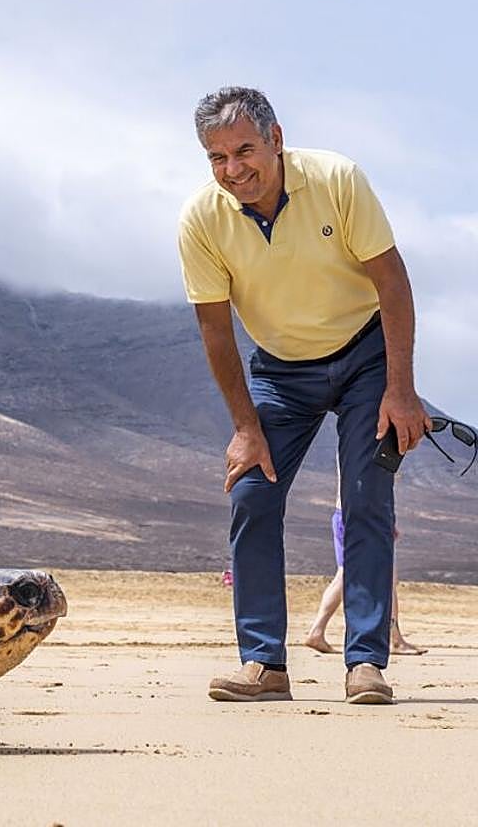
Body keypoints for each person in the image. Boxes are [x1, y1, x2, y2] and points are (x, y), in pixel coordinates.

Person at [178, 87, 431, 704]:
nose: (233, 169)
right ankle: (264, 663)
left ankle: (365, 663)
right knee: (253, 493)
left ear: (276, 138)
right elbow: (215, 328)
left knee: (368, 499)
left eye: (244, 150)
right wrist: (245, 426)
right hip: (281, 370)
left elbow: (393, 283)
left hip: (365, 353)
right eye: (217, 157)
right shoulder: (202, 219)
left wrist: (401, 390)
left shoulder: (337, 179)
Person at [305, 494, 425, 656]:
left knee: (345, 573)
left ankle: (317, 631)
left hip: (350, 514)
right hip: (363, 515)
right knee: (386, 575)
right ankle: (394, 639)